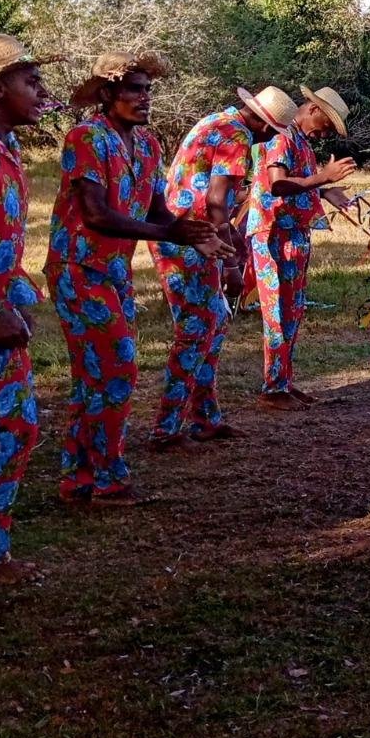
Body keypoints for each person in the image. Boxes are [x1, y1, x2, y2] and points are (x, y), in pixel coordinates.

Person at [45, 52, 230, 506]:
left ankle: (79, 476)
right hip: (77, 267)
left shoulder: (147, 145)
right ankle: (105, 477)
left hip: (114, 270)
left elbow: (156, 209)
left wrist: (194, 236)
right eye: (134, 89)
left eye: (148, 89)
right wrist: (169, 232)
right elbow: (96, 214)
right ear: (107, 94)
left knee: (97, 373)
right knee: (118, 367)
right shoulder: (86, 138)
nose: (144, 98)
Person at [149, 86, 295, 450]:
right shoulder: (236, 136)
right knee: (196, 328)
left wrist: (229, 235)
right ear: (263, 124)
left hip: (188, 230)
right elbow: (216, 201)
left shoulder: (217, 120)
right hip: (191, 237)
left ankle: (205, 417)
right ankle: (166, 429)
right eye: (272, 133)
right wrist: (230, 260)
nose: (269, 140)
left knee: (215, 318)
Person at [0, 35, 56, 586]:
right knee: (14, 426)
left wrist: (19, 296)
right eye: (31, 81)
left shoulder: (3, 148)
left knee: (4, 427)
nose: (43, 93)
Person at [247, 86, 356, 410]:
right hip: (273, 232)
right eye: (327, 124)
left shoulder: (301, 142)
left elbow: (299, 182)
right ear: (312, 109)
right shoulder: (282, 136)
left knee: (293, 309)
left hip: (293, 233)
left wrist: (325, 191)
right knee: (278, 311)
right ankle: (272, 389)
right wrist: (322, 179)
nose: (326, 133)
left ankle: (283, 381)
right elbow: (278, 183)